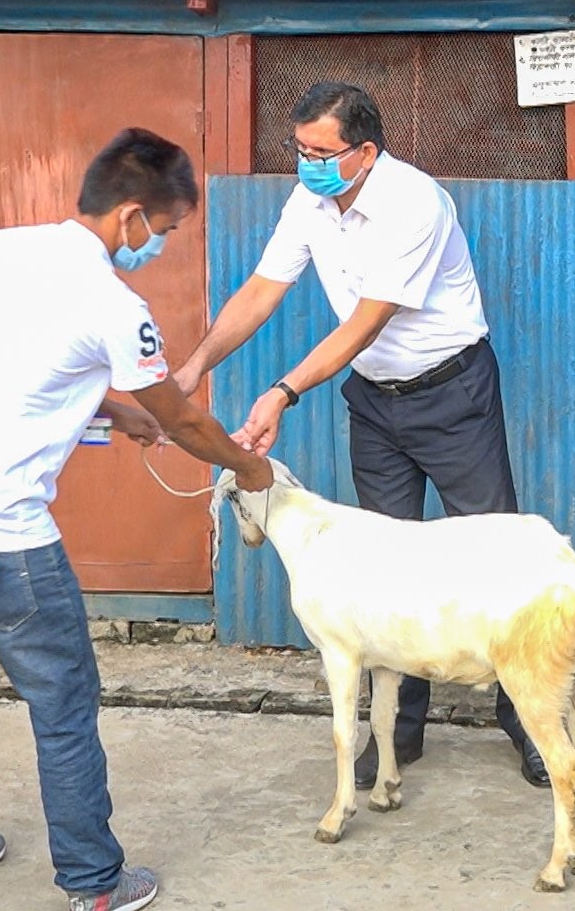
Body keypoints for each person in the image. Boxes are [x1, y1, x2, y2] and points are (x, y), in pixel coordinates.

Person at [0, 128, 274, 911]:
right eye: (165, 230)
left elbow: (12, 362)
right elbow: (185, 423)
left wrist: (112, 409)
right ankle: (92, 884)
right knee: (62, 707)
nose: (160, 245)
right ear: (129, 218)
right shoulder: (116, 306)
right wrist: (247, 467)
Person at [172, 82, 549, 790]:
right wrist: (194, 365)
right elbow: (261, 288)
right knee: (385, 566)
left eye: (322, 151)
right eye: (300, 149)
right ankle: (398, 732)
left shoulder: (414, 203)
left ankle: (527, 722)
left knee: (493, 556)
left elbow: (365, 321)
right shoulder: (310, 201)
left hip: (453, 393)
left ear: (367, 151)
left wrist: (283, 391)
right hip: (375, 402)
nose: (307, 163)